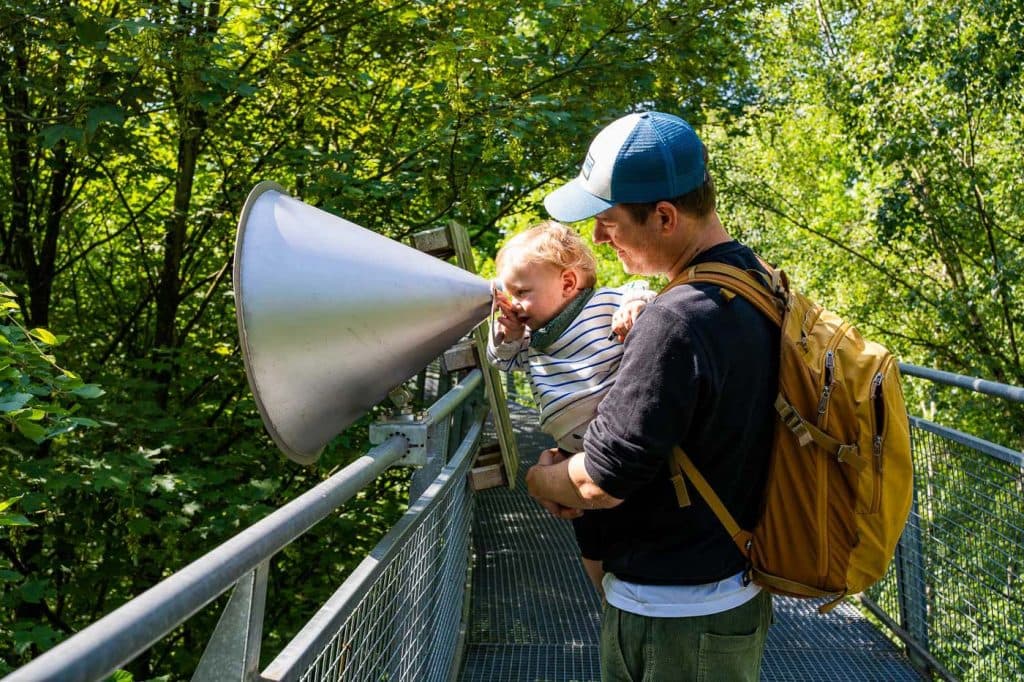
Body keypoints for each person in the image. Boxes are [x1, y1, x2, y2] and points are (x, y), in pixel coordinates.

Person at [525, 111, 778, 681]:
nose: (597, 238)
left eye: (608, 221)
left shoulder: (676, 319)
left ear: (664, 217)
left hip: (675, 618)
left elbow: (599, 482)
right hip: (733, 590)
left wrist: (539, 479)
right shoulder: (757, 281)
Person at [487, 220, 655, 595]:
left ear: (567, 283)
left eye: (522, 291)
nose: (514, 303)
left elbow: (642, 292)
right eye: (508, 293)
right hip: (570, 452)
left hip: (617, 440)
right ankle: (606, 598)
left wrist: (635, 304)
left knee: (630, 520)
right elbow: (501, 361)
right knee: (591, 538)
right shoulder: (529, 337)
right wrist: (508, 334)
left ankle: (635, 586)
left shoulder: (603, 304)